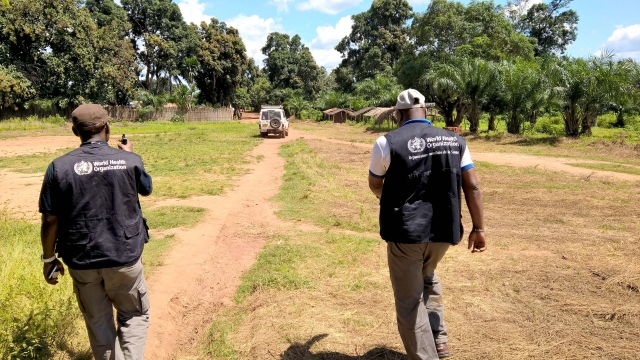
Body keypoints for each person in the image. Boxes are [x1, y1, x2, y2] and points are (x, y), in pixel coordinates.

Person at [368, 89, 486, 360]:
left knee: (409, 301)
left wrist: (385, 197)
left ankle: (426, 356)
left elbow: (375, 183)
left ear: (398, 115)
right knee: (428, 275)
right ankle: (439, 340)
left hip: (406, 233)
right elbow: (473, 187)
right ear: (426, 112)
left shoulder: (386, 142)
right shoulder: (456, 141)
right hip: (444, 232)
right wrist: (478, 229)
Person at [39, 104, 153, 360]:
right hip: (124, 258)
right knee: (134, 314)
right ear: (107, 128)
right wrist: (131, 156)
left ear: (74, 131)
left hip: (83, 260)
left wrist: (49, 259)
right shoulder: (130, 160)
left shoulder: (58, 167)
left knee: (99, 324)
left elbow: (49, 219)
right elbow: (146, 188)